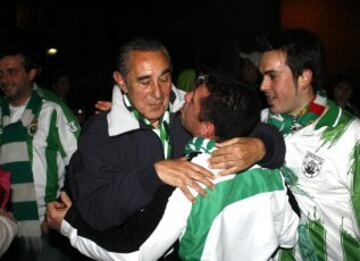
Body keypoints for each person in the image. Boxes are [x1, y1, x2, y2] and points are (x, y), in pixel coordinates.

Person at [48, 71, 299, 260]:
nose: (185, 96)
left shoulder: (190, 179)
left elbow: (133, 253)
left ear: (206, 128)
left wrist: (69, 223)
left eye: (192, 100)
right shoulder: (271, 173)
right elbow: (290, 234)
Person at [66, 37, 286, 232]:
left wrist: (260, 146)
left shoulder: (187, 110)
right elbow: (96, 210)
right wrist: (154, 174)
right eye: (144, 81)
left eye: (164, 78)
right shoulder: (101, 132)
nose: (157, 92)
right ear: (122, 81)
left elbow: (243, 120)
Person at [254, 29, 360, 260]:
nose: (262, 85)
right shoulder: (259, 123)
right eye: (262, 76)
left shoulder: (349, 135)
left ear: (304, 77)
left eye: (272, 76)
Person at [0, 43, 80, 260]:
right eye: (1, 73)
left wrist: (61, 209)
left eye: (12, 72)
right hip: (4, 228)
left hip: (46, 228)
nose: (4, 79)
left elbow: (81, 163)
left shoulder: (52, 109)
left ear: (31, 73)